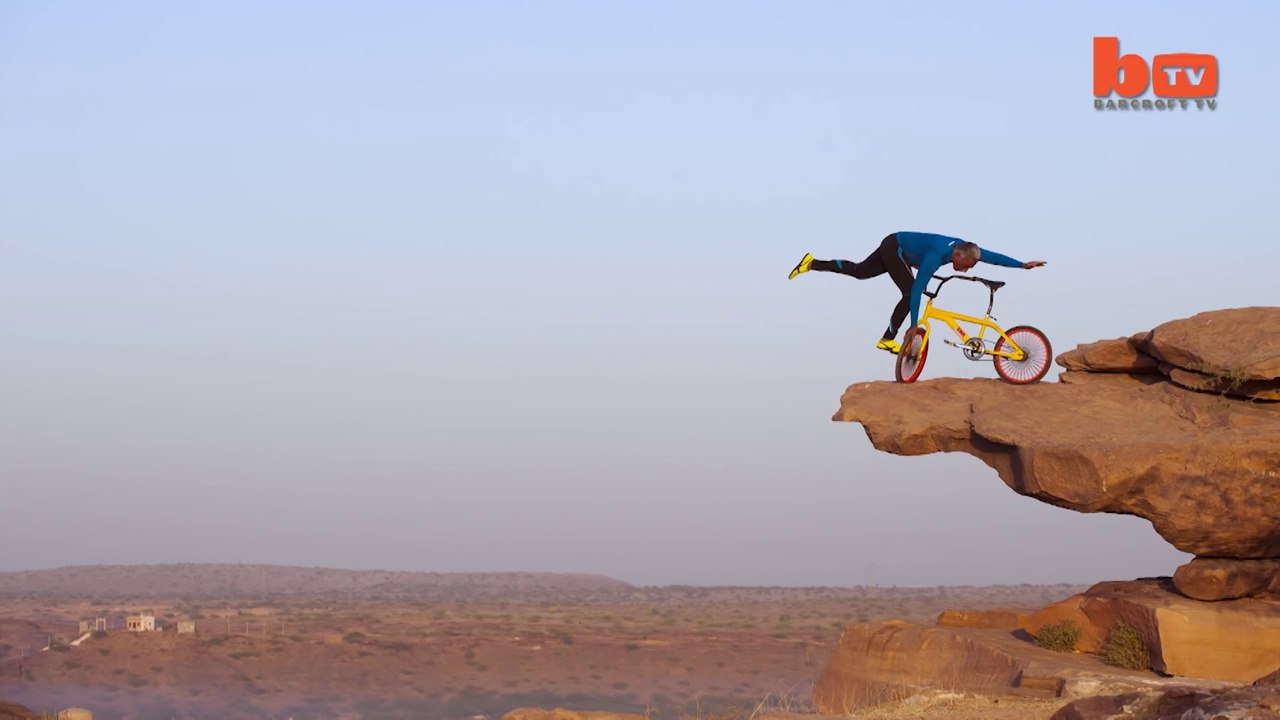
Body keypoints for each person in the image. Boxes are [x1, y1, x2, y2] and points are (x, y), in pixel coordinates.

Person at [788, 232, 1046, 354]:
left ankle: (811, 263)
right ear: (957, 255)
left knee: (860, 271)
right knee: (909, 291)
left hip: (900, 246)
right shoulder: (935, 257)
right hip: (896, 247)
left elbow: (994, 257)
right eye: (965, 266)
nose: (966, 270)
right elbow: (917, 291)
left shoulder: (967, 249)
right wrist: (914, 325)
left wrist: (1021, 265)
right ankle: (888, 339)